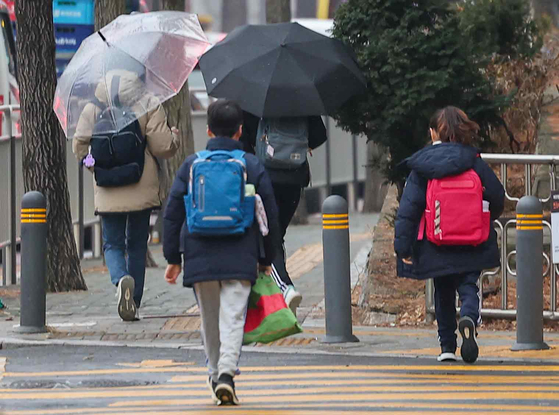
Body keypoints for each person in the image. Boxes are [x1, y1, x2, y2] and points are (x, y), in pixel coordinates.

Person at [163, 100, 279, 406]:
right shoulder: (251, 165)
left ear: (209, 130)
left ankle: (215, 375)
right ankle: (226, 373)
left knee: (209, 319)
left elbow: (173, 213)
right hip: (241, 254)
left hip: (199, 254)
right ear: (240, 131)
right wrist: (267, 258)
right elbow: (271, 214)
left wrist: (173, 257)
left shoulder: (191, 165)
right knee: (233, 317)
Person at [394, 106, 505, 364]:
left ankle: (446, 348)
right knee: (468, 284)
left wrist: (403, 247)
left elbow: (409, 209)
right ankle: (468, 315)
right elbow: (497, 195)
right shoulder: (473, 161)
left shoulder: (423, 166)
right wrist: (485, 218)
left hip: (436, 240)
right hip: (472, 239)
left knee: (443, 292)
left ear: (433, 133)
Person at [73, 62, 179, 322]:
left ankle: (121, 280)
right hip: (141, 184)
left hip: (108, 186)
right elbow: (163, 146)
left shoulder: (93, 106)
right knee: (136, 244)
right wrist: (174, 135)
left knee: (112, 243)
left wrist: (93, 167)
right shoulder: (147, 102)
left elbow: (80, 148)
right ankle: (136, 302)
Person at [241, 112, 327, 314]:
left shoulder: (257, 102)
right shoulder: (302, 100)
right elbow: (320, 134)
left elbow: (244, 138)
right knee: (276, 236)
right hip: (295, 178)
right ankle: (282, 300)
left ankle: (285, 289)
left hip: (266, 177)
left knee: (271, 238)